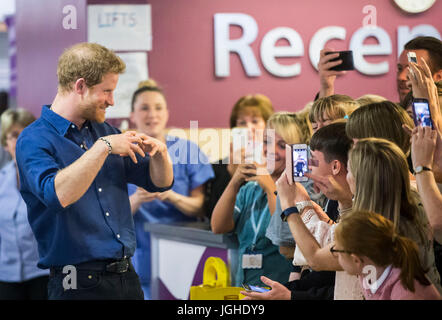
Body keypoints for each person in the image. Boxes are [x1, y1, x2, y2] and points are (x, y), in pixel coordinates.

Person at [15, 42, 174, 300]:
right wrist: (103, 148)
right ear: (80, 86)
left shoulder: (106, 132)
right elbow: (58, 195)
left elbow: (160, 182)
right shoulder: (33, 140)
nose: (112, 101)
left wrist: (161, 154)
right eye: (107, 91)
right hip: (75, 282)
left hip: (126, 278)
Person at [275, 138, 442, 299]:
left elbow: (316, 258)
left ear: (361, 179)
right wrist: (344, 200)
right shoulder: (397, 212)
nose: (346, 176)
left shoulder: (371, 230)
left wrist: (290, 205)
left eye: (350, 170)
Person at [243, 121, 352, 300]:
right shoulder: (342, 203)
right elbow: (332, 235)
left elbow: (317, 260)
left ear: (335, 166)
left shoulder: (365, 212)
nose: (308, 168)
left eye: (314, 162)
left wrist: (289, 205)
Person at [128, 79, 214, 299]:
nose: (152, 114)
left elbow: (201, 208)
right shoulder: (121, 155)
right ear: (132, 115)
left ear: (167, 113)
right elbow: (109, 217)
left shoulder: (188, 151)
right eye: (144, 108)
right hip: (139, 261)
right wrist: (136, 200)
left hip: (185, 256)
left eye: (158, 108)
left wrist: (172, 196)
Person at [211, 112, 297, 288]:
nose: (271, 150)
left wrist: (269, 186)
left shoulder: (297, 189)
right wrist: (234, 182)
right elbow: (218, 226)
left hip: (280, 289)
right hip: (245, 289)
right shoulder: (250, 189)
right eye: (267, 142)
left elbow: (283, 232)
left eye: (281, 145)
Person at [334, 210, 441, 300]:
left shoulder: (405, 294)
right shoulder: (368, 273)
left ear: (356, 260)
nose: (334, 253)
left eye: (337, 252)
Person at [0, 109, 49, 300]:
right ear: (5, 143)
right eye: (14, 135)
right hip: (6, 276)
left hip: (43, 273)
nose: (20, 140)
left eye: (25, 133)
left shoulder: (51, 177)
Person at [204, 94, 274, 218]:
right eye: (242, 123)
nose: (249, 128)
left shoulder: (277, 164)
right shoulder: (218, 168)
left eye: (255, 121)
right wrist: (231, 173)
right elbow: (211, 214)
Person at [397, 36, 442, 104]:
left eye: (413, 70)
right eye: (400, 69)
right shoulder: (390, 113)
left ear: (439, 77)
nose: (401, 77)